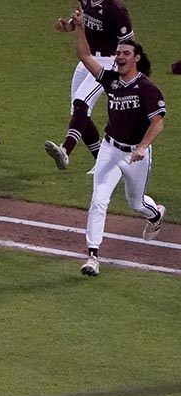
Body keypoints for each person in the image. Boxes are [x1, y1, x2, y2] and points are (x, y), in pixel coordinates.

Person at [66, 8, 167, 277]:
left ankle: (155, 215)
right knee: (99, 200)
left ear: (136, 59)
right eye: (118, 53)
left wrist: (143, 146)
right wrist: (79, 28)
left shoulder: (146, 88)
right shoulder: (111, 80)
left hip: (136, 153)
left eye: (125, 54)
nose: (119, 57)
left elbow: (158, 122)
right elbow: (85, 56)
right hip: (110, 149)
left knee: (136, 204)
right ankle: (92, 256)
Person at [45, 0, 134, 172]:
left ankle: (65, 150)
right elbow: (83, 16)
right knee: (78, 112)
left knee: (81, 101)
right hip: (87, 58)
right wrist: (70, 26)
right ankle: (103, 163)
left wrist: (127, 70)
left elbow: (129, 41)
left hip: (108, 61)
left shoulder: (115, 7)